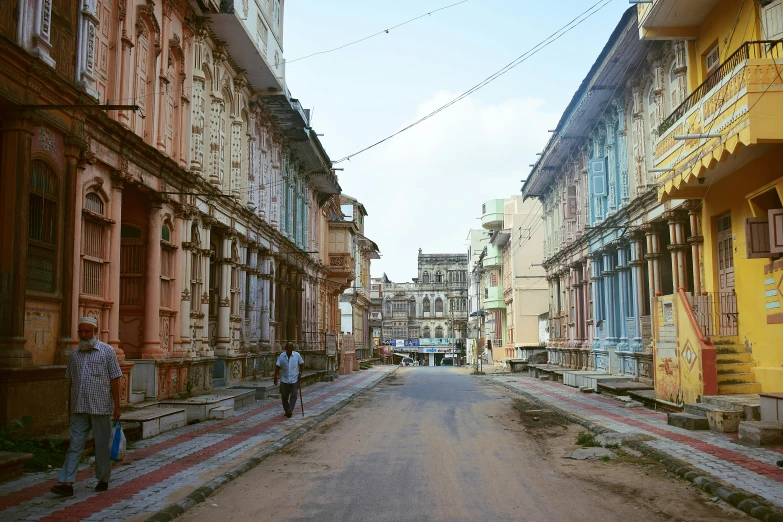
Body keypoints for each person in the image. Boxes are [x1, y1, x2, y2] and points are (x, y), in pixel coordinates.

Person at [51, 317, 123, 497]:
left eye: (87, 331)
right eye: (80, 331)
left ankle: (103, 479)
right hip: (79, 407)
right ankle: (67, 483)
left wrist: (117, 406)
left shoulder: (107, 352)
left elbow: (115, 379)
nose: (83, 335)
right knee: (74, 445)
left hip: (101, 407)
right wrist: (69, 409)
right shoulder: (75, 354)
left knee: (101, 446)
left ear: (95, 331)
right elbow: (71, 383)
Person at [273, 342, 304, 418]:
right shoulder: (282, 356)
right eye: (288, 348)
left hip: (294, 379)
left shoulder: (297, 355)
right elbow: (277, 366)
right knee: (284, 396)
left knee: (294, 395)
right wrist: (275, 376)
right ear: (285, 348)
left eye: (291, 348)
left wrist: (300, 373)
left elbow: (302, 364)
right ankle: (287, 410)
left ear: (293, 349)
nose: (289, 349)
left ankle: (290, 410)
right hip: (284, 379)